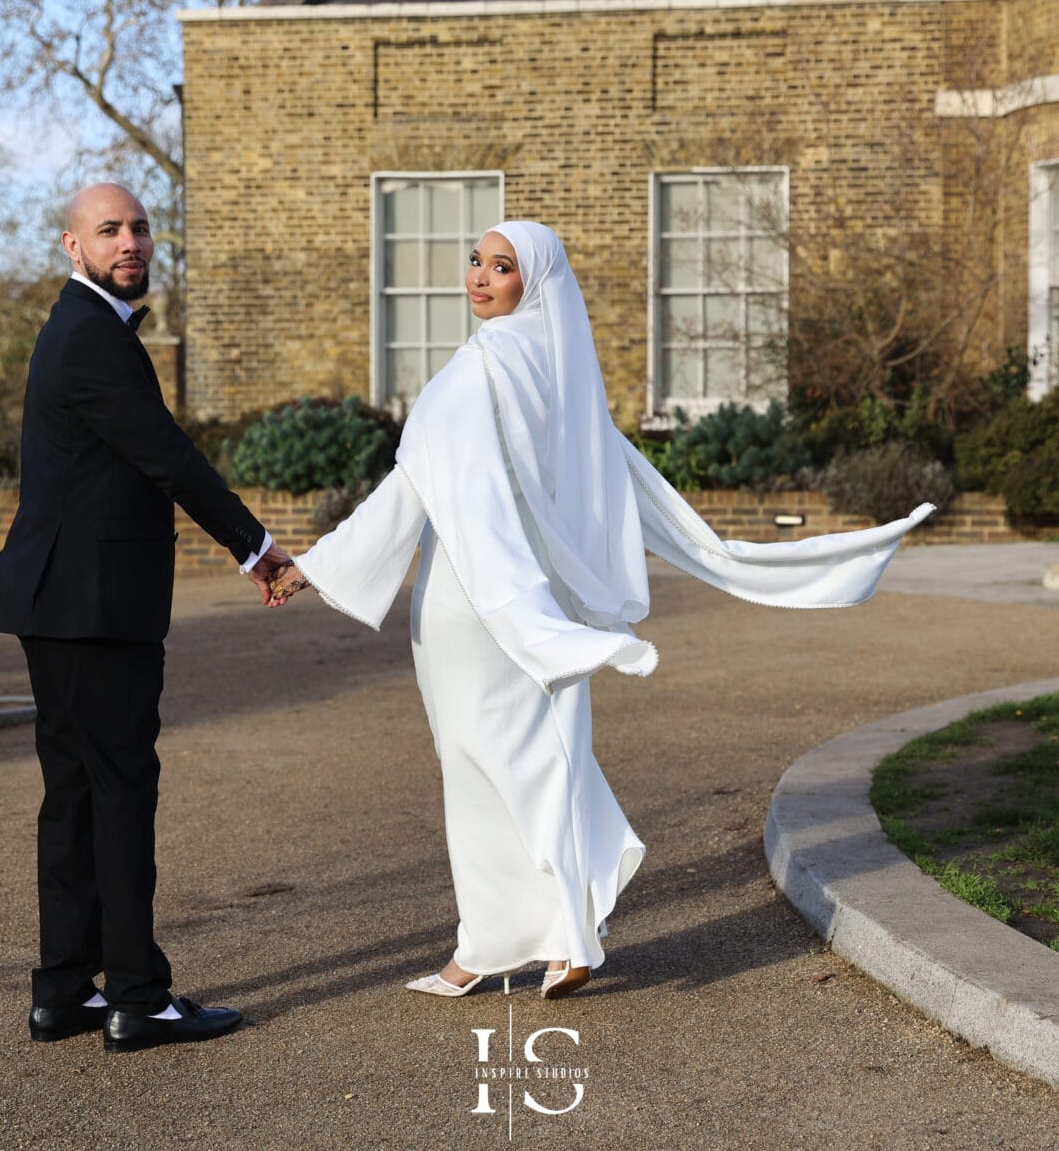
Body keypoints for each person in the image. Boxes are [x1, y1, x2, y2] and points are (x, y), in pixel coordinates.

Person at [268, 220, 933, 1000]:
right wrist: (730, 560)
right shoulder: (564, 374)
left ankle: (538, 939)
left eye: (502, 267)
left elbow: (410, 491)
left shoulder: (479, 369)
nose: (479, 277)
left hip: (471, 597)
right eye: (476, 262)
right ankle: (512, 940)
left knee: (502, 768)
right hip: (531, 595)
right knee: (530, 761)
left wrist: (312, 566)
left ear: (536, 282)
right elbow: (628, 492)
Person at [0, 182, 290, 1052]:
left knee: (73, 796)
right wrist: (256, 547)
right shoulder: (91, 335)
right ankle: (138, 994)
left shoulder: (81, 329)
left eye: (139, 228)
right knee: (117, 792)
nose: (131, 242)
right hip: (95, 607)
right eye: (109, 231)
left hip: (61, 601)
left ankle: (65, 991)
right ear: (73, 248)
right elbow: (166, 454)